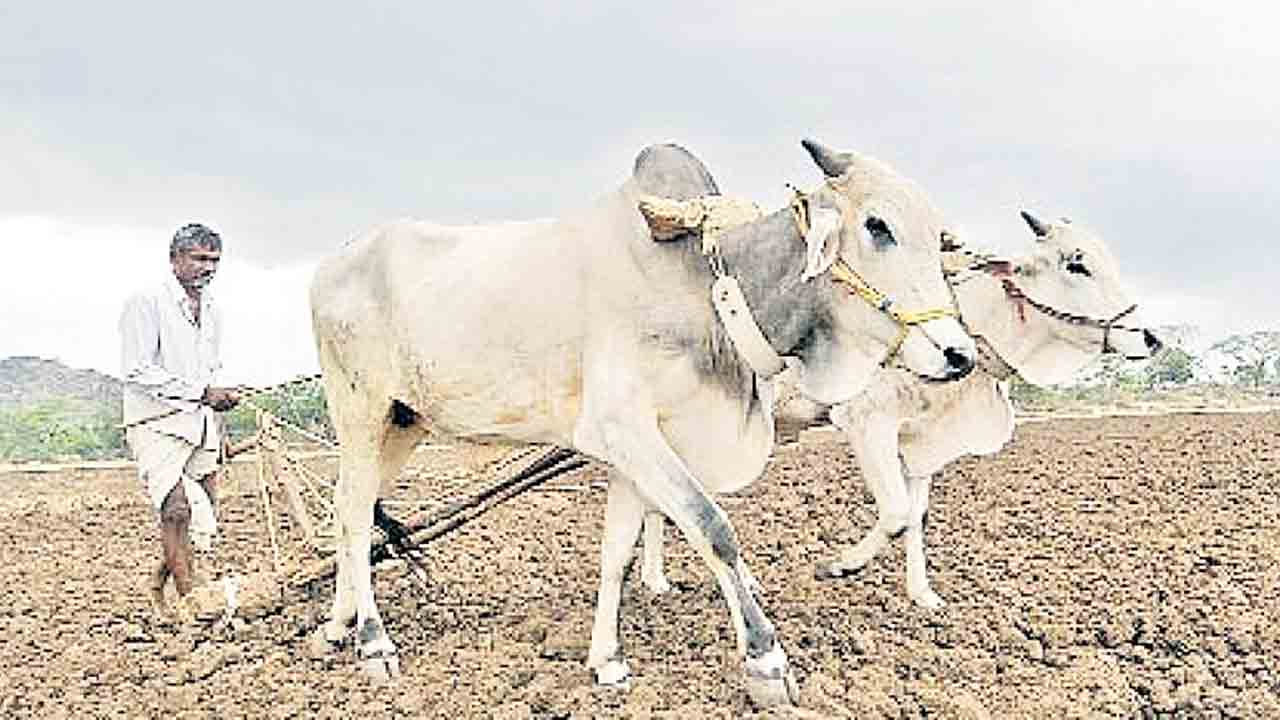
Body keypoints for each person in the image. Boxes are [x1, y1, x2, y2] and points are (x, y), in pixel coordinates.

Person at [119, 222, 242, 623]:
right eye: (199, 259)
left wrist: (218, 417)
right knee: (175, 509)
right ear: (175, 260)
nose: (208, 268)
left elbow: (210, 370)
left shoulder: (215, 310)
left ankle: (161, 582)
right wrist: (202, 393)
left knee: (203, 510)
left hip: (200, 423)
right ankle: (193, 603)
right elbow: (136, 369)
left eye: (214, 261)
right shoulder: (147, 301)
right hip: (156, 421)